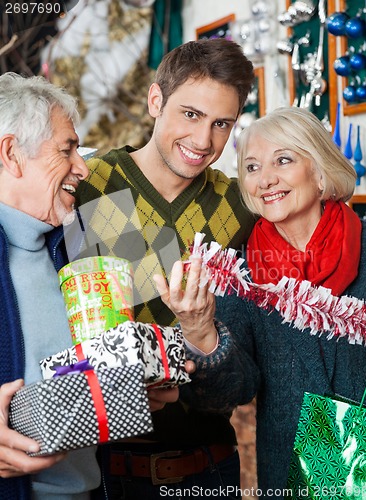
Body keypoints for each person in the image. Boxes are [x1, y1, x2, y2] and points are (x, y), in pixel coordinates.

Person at [155, 107, 366, 499]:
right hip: (293, 478)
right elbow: (227, 393)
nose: (265, 179)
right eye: (251, 167)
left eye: (283, 160)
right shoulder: (242, 272)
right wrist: (201, 331)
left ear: (320, 172)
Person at [75, 39, 256, 499]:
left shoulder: (240, 207)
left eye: (222, 124)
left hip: (208, 467)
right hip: (97, 471)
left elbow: (241, 376)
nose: (203, 141)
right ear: (156, 100)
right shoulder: (87, 184)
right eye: (190, 114)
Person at [0, 72, 179, 500]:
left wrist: (132, 389)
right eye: (68, 149)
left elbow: (83, 379)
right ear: (11, 153)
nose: (82, 166)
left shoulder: (76, 243)